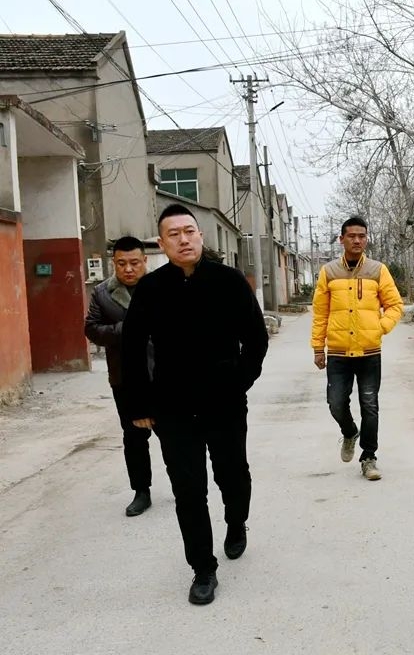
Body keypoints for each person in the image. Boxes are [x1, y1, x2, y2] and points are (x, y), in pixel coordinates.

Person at [122, 204, 268, 605]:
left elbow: (256, 339)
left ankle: (236, 522)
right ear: (161, 243)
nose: (184, 239)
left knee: (233, 475)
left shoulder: (229, 281)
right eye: (174, 234)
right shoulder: (151, 290)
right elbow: (131, 350)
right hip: (172, 408)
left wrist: (238, 381)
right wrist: (139, 405)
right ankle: (203, 569)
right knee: (188, 490)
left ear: (201, 235)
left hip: (224, 403)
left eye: (189, 231)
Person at [311, 216, 404, 480]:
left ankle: (369, 457)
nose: (357, 240)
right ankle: (350, 432)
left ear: (366, 239)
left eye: (362, 236)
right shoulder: (329, 272)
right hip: (338, 353)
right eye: (351, 236)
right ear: (341, 239)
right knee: (336, 403)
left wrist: (379, 327)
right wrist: (318, 347)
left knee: (370, 405)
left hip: (369, 352)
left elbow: (395, 305)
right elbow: (320, 313)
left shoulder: (377, 270)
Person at [84, 236, 155, 517]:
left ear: (144, 261)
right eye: (121, 263)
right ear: (113, 263)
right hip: (124, 377)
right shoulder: (102, 293)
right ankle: (141, 491)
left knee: (175, 434)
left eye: (134, 263)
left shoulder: (161, 287)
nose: (128, 269)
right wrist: (126, 329)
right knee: (134, 437)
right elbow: (92, 330)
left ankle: (183, 484)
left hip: (164, 374)